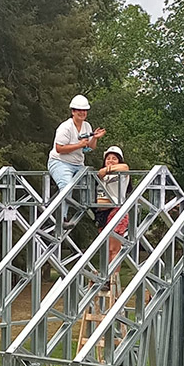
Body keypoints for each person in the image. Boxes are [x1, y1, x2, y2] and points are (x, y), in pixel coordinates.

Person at [47, 94, 106, 229]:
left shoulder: (87, 126)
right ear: (73, 111)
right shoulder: (65, 127)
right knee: (66, 187)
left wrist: (95, 138)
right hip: (60, 162)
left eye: (84, 111)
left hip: (78, 164)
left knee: (94, 183)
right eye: (79, 110)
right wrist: (79, 145)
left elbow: (90, 148)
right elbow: (59, 148)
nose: (82, 113)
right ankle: (61, 218)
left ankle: (97, 214)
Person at [96, 146, 130, 276]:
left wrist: (107, 169)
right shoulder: (101, 176)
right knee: (106, 249)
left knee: (113, 249)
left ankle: (112, 278)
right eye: (108, 158)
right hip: (102, 212)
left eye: (114, 158)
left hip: (117, 211)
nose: (110, 160)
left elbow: (125, 167)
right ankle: (106, 275)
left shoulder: (121, 173)